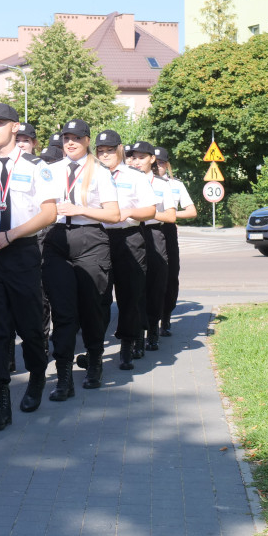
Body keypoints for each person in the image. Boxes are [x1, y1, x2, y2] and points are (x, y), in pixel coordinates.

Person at [0, 103, 57, 431]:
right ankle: (0, 400)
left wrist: (10, 235)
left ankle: (36, 380)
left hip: (21, 252)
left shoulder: (35, 166)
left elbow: (49, 213)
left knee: (31, 328)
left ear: (15, 127)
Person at [41, 119, 119, 396]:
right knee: (62, 312)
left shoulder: (100, 171)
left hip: (91, 241)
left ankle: (95, 362)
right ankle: (64, 378)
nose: (70, 143)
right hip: (58, 240)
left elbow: (113, 214)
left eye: (76, 138)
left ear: (87, 141)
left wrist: (80, 208)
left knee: (93, 308)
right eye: (66, 138)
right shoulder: (50, 170)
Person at [95, 130, 156, 370]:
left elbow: (150, 210)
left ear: (120, 149)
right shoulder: (91, 176)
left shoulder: (135, 176)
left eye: (110, 150)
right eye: (100, 151)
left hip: (128, 237)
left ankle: (128, 345)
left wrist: (128, 212)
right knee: (98, 295)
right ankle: (95, 348)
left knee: (130, 295)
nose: (105, 155)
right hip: (98, 238)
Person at [126, 141, 176, 352]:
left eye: (141, 157)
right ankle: (137, 334)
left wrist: (147, 212)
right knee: (135, 286)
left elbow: (171, 216)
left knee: (156, 284)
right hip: (130, 233)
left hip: (154, 233)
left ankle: (153, 329)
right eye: (133, 157)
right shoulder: (123, 181)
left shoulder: (162, 184)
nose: (136, 162)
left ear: (152, 159)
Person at [154, 147, 197, 336]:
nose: (158, 167)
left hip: (168, 230)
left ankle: (166, 317)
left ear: (167, 164)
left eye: (161, 163)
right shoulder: (143, 182)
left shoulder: (176, 185)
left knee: (171, 277)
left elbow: (191, 211)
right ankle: (150, 321)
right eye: (155, 163)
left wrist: (170, 215)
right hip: (148, 230)